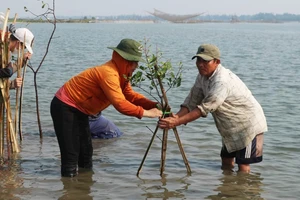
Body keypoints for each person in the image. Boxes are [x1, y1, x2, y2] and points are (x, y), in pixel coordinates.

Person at [50, 38, 162, 177]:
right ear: (123, 59)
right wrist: (148, 113)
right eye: (134, 62)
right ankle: (69, 191)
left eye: (137, 62)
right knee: (71, 155)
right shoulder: (109, 73)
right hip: (65, 106)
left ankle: (84, 189)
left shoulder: (122, 74)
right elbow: (120, 104)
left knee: (86, 154)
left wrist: (154, 105)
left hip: (81, 110)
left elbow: (129, 96)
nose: (136, 66)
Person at [158, 44, 267, 173]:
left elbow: (204, 108)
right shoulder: (202, 76)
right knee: (226, 159)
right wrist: (176, 116)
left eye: (205, 61)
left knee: (243, 164)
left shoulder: (221, 81)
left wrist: (177, 122)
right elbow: (192, 101)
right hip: (230, 127)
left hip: (248, 125)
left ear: (217, 62)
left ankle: (242, 192)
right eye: (198, 60)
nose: (200, 64)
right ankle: (228, 186)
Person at [0, 25, 34, 89]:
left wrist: (22, 61)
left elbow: (7, 72)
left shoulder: (7, 52)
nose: (22, 50)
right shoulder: (1, 50)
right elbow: (6, 72)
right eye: (23, 47)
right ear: (18, 43)